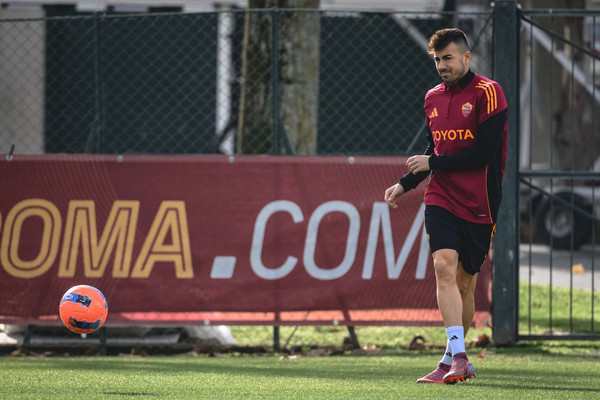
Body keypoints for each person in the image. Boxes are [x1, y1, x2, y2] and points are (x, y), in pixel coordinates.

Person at [384, 28, 508, 384]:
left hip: (481, 201)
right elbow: (434, 150)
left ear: (466, 57)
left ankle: (450, 359)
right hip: (441, 196)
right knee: (443, 266)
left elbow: (484, 153)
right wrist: (405, 184)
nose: (442, 65)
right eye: (437, 59)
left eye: (448, 58)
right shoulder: (432, 98)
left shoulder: (489, 93)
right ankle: (461, 357)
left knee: (466, 285)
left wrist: (433, 163)